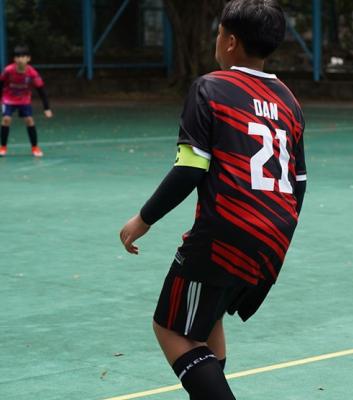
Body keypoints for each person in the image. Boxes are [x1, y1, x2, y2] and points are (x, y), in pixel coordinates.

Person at [119, 1, 306, 398]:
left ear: (230, 41)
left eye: (219, 33)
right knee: (206, 320)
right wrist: (273, 235)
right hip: (276, 233)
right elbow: (299, 182)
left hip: (226, 232)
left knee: (171, 328)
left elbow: (189, 169)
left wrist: (143, 219)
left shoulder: (210, 88)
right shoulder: (288, 99)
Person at [0, 45, 53, 157]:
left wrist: (47, 108)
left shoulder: (32, 73)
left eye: (23, 57)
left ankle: (35, 147)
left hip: (24, 100)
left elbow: (41, 90)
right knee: (6, 119)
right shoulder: (8, 71)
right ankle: (3, 147)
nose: (20, 59)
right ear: (14, 59)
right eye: (18, 57)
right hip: (8, 99)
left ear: (28, 59)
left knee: (29, 120)